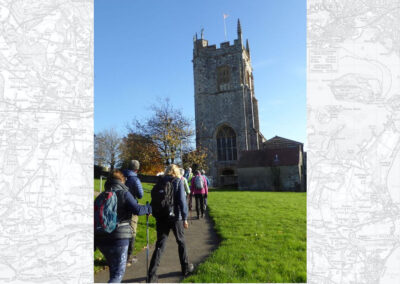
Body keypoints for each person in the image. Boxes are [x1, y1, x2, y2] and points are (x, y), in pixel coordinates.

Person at [95, 170, 152, 283]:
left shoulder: (101, 196)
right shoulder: (124, 193)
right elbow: (137, 209)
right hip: (119, 238)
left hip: (101, 238)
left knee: (113, 269)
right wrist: (149, 208)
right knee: (117, 275)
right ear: (122, 180)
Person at [147, 164, 194, 283]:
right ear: (177, 171)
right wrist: (185, 218)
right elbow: (182, 201)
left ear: (167, 171)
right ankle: (185, 268)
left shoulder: (160, 181)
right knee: (181, 241)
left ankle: (151, 276)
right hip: (175, 217)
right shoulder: (178, 181)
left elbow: (155, 199)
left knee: (160, 245)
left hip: (161, 217)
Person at [123, 160, 144, 266]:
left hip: (119, 207)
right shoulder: (135, 179)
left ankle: (119, 256)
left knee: (120, 230)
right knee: (132, 231)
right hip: (131, 207)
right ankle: (127, 258)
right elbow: (140, 195)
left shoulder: (120, 176)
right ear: (137, 169)